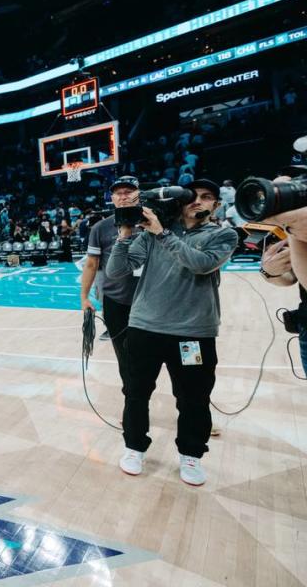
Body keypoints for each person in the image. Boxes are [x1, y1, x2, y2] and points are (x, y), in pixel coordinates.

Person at [106, 179, 237, 486]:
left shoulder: (222, 234)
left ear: (216, 205)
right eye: (193, 196)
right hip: (144, 329)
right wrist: (125, 236)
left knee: (193, 398)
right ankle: (134, 447)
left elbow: (201, 264)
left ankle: (191, 455)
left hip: (193, 334)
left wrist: (161, 233)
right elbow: (115, 271)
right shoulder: (153, 233)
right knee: (135, 393)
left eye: (207, 197)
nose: (198, 201)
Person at [80, 176, 140, 393]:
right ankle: (133, 402)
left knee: (161, 356)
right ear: (112, 198)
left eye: (129, 192)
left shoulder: (152, 221)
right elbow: (91, 264)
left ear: (138, 194)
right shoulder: (100, 228)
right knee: (124, 357)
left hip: (151, 300)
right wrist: (84, 297)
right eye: (119, 193)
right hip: (116, 301)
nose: (124, 197)